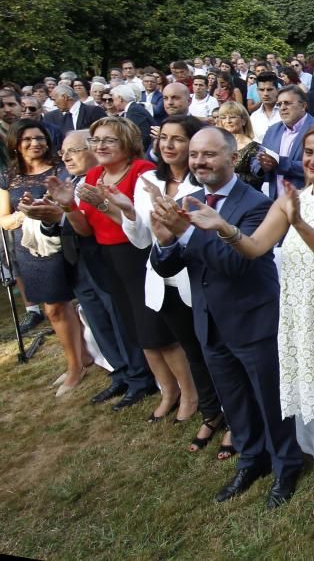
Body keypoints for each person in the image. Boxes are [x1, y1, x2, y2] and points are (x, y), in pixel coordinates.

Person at [185, 122, 314, 525]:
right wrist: (223, 227)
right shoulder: (288, 199)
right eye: (309, 152)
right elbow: (255, 247)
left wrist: (300, 223)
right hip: (308, 314)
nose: (313, 160)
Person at [148, 127, 303, 509]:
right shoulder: (192, 200)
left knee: (269, 399)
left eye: (209, 155)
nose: (199, 162)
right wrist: (166, 240)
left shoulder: (255, 204)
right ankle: (252, 460)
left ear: (232, 159)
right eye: (195, 155)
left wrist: (185, 232)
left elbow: (235, 263)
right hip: (209, 319)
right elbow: (169, 265)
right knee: (234, 399)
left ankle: (286, 464)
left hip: (251, 318)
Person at [101, 116, 227, 450]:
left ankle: (232, 413)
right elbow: (143, 239)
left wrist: (171, 212)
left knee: (214, 347)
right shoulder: (147, 180)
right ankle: (211, 412)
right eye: (164, 138)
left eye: (178, 139)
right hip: (162, 275)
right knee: (191, 349)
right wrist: (128, 211)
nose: (168, 145)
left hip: (197, 276)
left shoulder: (204, 182)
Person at [45, 117, 160, 410]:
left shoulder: (143, 171)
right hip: (105, 257)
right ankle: (137, 378)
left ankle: (155, 382)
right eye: (96, 141)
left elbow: (140, 227)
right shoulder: (93, 174)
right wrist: (68, 206)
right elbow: (85, 229)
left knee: (151, 325)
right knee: (126, 323)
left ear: (128, 143)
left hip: (137, 256)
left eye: (109, 140)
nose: (100, 146)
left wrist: (104, 206)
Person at [0, 120, 86, 396]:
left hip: (66, 241)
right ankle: (75, 363)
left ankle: (87, 356)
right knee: (54, 309)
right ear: (15, 144)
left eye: (40, 138)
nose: (35, 143)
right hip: (32, 250)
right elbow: (4, 220)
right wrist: (26, 213)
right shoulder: (8, 177)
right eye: (27, 139)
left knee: (81, 303)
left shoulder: (62, 169)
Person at [255, 85, 314, 199]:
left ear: (303, 106)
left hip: (310, 200)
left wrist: (280, 163)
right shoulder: (272, 130)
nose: (282, 108)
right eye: (279, 104)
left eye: (287, 103)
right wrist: (263, 166)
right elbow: (256, 162)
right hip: (277, 202)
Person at [215, 101, 262, 191]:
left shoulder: (255, 148)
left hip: (244, 195)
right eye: (223, 118)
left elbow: (258, 180)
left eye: (232, 117)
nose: (228, 121)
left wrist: (234, 177)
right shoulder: (216, 145)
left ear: (243, 120)